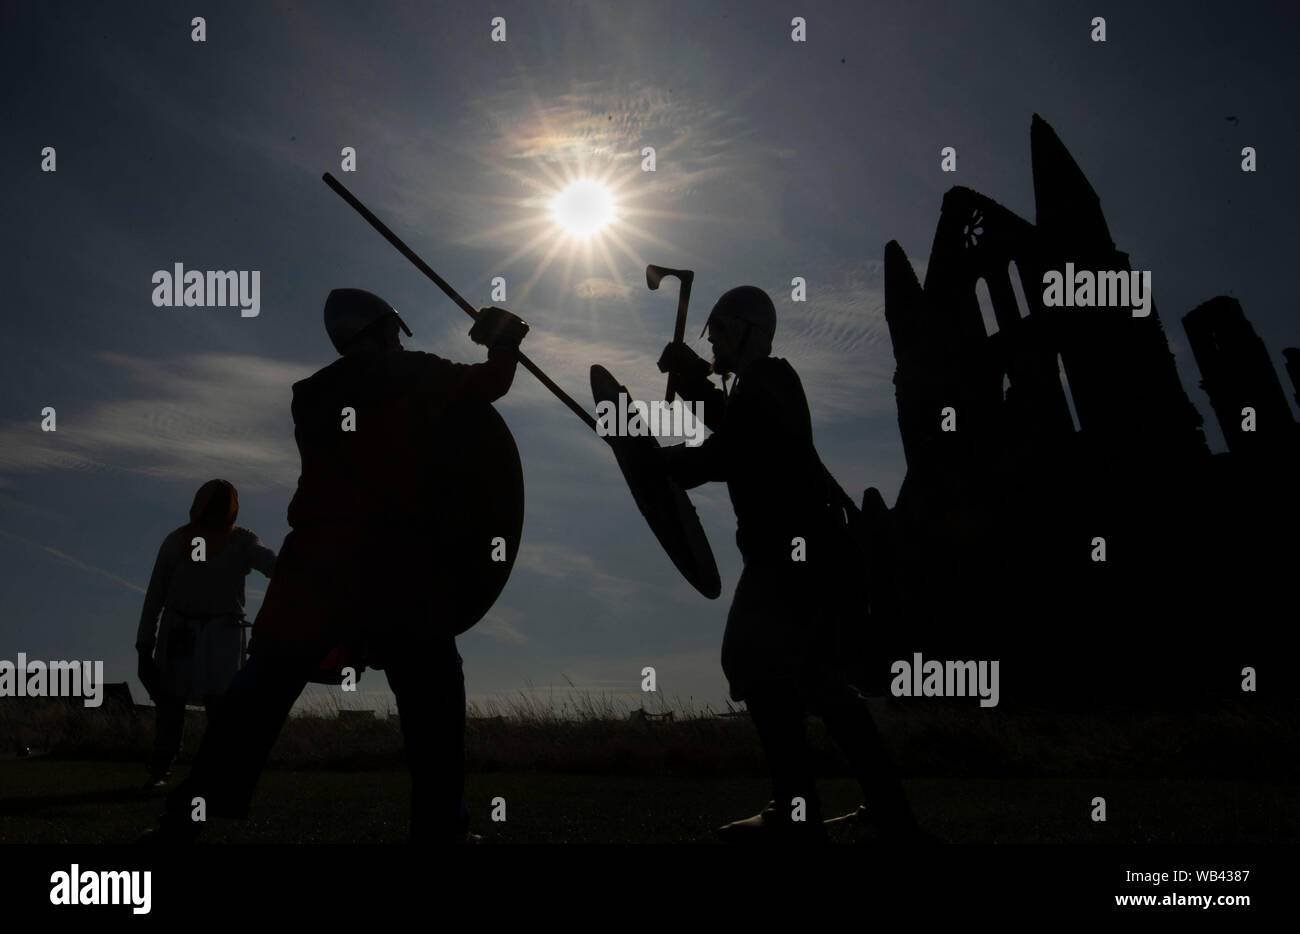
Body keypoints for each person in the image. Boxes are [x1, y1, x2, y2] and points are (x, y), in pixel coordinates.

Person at [145, 288, 528, 843]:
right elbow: (487, 388)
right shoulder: (413, 371)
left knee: (258, 695)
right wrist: (505, 341)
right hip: (395, 565)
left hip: (316, 566)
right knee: (432, 696)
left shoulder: (312, 395)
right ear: (379, 329)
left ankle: (184, 820)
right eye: (392, 331)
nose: (397, 339)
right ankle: (441, 830)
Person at [657, 285, 929, 843]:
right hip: (816, 557)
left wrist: (664, 462)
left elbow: (732, 447)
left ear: (748, 329)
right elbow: (737, 426)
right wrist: (692, 383)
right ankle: (887, 816)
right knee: (819, 683)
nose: (715, 342)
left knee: (753, 660)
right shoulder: (764, 388)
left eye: (721, 331)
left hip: (794, 556)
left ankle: (796, 810)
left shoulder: (770, 379)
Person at [136, 479, 277, 788]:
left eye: (223, 505)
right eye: (213, 505)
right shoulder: (176, 541)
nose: (217, 511)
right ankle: (160, 771)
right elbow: (155, 595)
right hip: (179, 631)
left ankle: (218, 774)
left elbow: (269, 563)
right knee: (171, 704)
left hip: (222, 634)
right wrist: (143, 644)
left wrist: (292, 566)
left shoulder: (242, 541)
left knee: (221, 707)